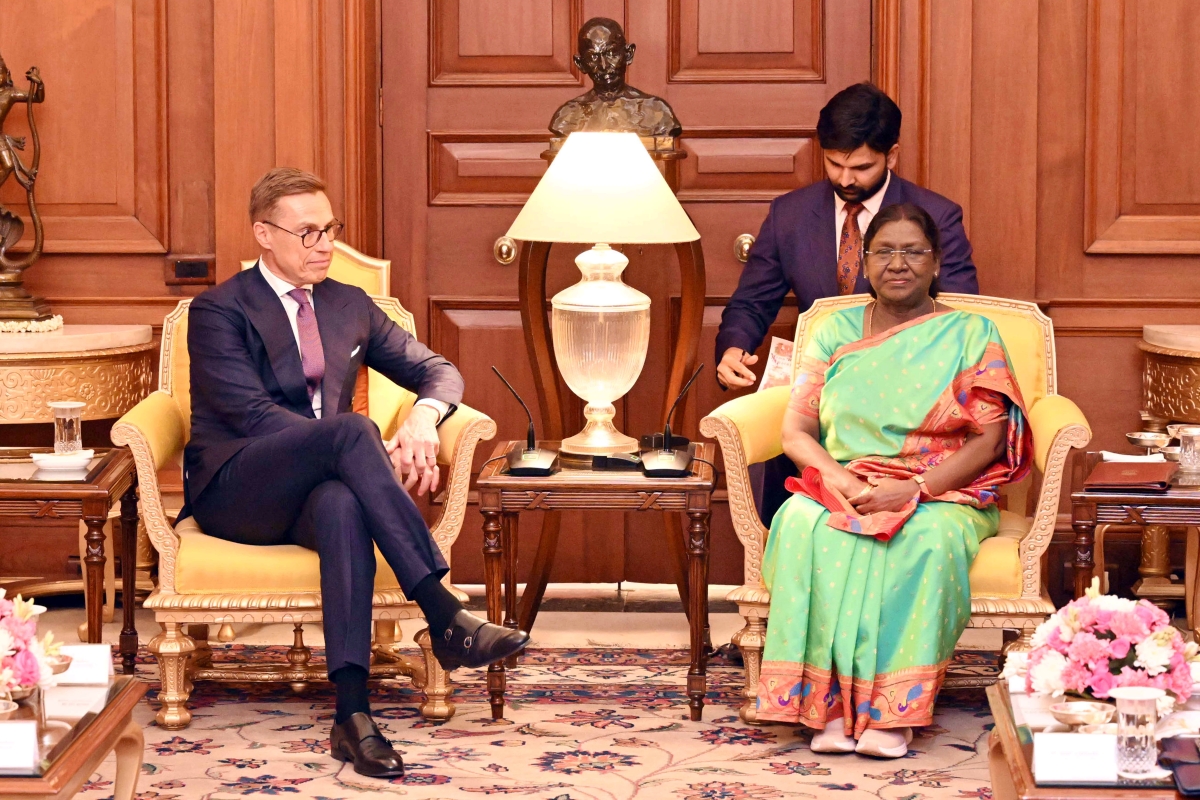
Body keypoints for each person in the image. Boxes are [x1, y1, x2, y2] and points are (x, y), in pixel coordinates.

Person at [183, 168, 530, 779]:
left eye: (330, 229)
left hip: (316, 491)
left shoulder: (349, 304)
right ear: (264, 233)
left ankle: (352, 715)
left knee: (343, 504)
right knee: (351, 433)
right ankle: (442, 610)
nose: (325, 245)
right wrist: (358, 445)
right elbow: (252, 416)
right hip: (238, 489)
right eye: (308, 232)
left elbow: (439, 370)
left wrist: (423, 417)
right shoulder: (219, 310)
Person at [754, 203, 1029, 758]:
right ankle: (826, 707)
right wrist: (847, 485)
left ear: (936, 261)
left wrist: (918, 489)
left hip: (943, 491)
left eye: (912, 251)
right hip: (844, 482)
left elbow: (989, 439)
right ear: (863, 262)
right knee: (802, 524)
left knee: (926, 537)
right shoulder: (833, 331)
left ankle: (893, 712)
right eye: (883, 251)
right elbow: (797, 432)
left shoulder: (970, 333)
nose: (897, 264)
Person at [715, 82, 979, 525]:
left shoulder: (936, 215)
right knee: (783, 462)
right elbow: (753, 299)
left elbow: (958, 315)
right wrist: (733, 347)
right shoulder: (790, 214)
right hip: (818, 385)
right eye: (834, 164)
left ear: (891, 156)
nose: (845, 179)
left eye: (861, 167)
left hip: (906, 394)